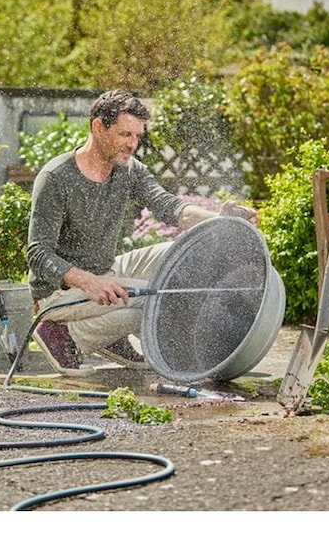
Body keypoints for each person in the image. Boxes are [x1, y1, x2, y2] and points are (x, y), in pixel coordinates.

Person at [26, 89, 257, 376]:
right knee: (158, 299)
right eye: (125, 134)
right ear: (98, 127)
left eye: (137, 136)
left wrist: (220, 219)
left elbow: (169, 207)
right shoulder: (56, 177)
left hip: (106, 269)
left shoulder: (128, 170)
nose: (132, 144)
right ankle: (65, 335)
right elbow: (38, 254)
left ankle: (108, 334)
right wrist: (90, 282)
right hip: (58, 292)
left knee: (177, 255)